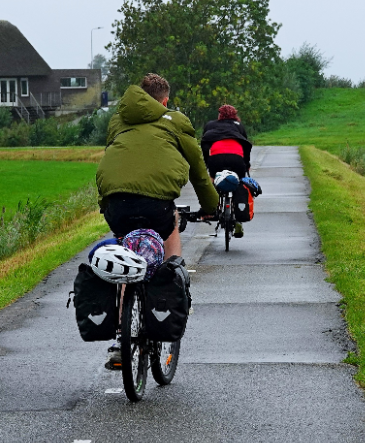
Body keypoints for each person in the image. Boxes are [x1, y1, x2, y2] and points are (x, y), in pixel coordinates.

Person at [95, 73, 219, 368]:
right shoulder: (175, 120)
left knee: (129, 255)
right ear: (165, 100)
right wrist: (209, 206)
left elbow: (119, 160)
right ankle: (173, 282)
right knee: (171, 223)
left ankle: (119, 339)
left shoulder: (118, 120)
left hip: (115, 202)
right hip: (155, 204)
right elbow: (198, 170)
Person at [200, 104, 253, 238]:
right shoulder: (238, 126)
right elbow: (245, 146)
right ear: (235, 114)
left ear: (219, 115)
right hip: (237, 159)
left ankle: (211, 209)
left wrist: (208, 163)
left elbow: (205, 145)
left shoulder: (211, 125)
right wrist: (246, 165)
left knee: (212, 180)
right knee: (239, 183)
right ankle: (238, 218)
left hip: (216, 159)